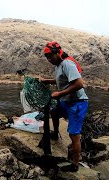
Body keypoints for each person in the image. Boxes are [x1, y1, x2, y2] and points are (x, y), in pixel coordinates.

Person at [40, 41, 89, 172]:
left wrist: (60, 93)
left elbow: (79, 84)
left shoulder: (67, 64)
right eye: (47, 57)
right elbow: (61, 80)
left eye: (50, 56)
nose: (49, 59)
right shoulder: (58, 65)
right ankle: (55, 134)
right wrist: (47, 81)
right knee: (54, 112)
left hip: (78, 102)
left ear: (57, 53)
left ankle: (75, 164)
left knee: (74, 135)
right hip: (66, 101)